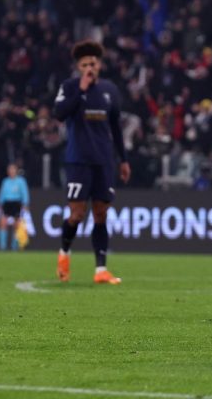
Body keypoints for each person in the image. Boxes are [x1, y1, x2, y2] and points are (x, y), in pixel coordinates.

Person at [53, 40, 131, 284]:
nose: (90, 68)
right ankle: (64, 254)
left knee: (101, 214)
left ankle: (101, 270)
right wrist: (81, 89)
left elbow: (116, 127)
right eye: (85, 64)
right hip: (78, 160)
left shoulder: (110, 90)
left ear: (99, 66)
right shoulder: (69, 87)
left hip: (104, 160)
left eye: (93, 64)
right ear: (78, 67)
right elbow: (59, 113)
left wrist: (123, 159)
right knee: (77, 214)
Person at [0, 163, 31, 250]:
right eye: (10, 169)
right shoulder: (5, 181)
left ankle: (14, 246)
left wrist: (25, 204)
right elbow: (2, 193)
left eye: (13, 169)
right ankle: (2, 247)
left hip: (16, 203)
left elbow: (25, 193)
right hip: (7, 203)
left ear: (16, 170)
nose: (11, 171)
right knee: (3, 223)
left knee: (16, 224)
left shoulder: (21, 181)